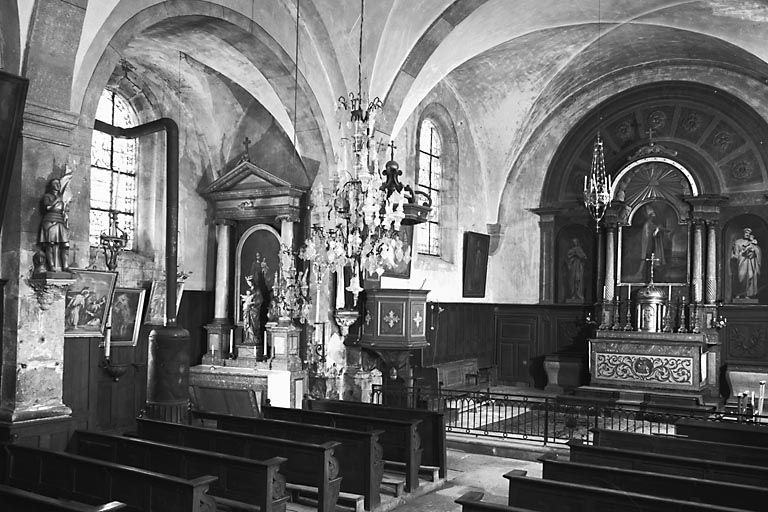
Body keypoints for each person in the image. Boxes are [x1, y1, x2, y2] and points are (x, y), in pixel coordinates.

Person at [38, 174, 72, 272]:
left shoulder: (62, 198)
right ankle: (51, 266)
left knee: (65, 245)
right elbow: (48, 208)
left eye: (58, 183)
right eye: (55, 183)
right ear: (51, 185)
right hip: (50, 220)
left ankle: (65, 267)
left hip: (60, 221)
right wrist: (57, 200)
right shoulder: (47, 196)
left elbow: (63, 210)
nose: (58, 185)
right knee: (50, 244)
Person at [731, 227, 762, 299]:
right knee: (740, 277)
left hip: (750, 263)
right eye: (746, 233)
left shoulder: (753, 242)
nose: (747, 234)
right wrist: (742, 252)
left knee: (750, 277)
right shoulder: (738, 242)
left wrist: (754, 249)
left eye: (748, 233)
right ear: (743, 233)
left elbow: (758, 252)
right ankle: (738, 294)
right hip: (741, 262)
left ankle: (746, 294)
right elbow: (735, 255)